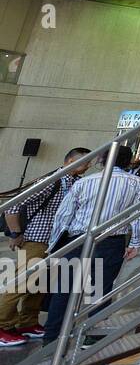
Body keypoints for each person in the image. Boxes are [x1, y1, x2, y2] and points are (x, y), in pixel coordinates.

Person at [43, 145, 140, 345]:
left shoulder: (85, 182)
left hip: (77, 240)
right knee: (100, 291)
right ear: (128, 162)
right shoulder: (136, 183)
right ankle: (92, 338)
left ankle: (51, 339)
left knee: (64, 289)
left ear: (101, 160)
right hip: (110, 242)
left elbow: (64, 215)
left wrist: (55, 244)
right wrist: (135, 242)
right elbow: (139, 214)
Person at [0, 147, 90, 346]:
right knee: (20, 283)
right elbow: (12, 207)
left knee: (39, 285)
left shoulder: (74, 183)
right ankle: (3, 325)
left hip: (54, 242)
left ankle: (27, 322)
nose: (88, 167)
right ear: (69, 161)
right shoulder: (51, 182)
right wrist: (16, 233)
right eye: (84, 163)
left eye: (89, 163)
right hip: (35, 241)